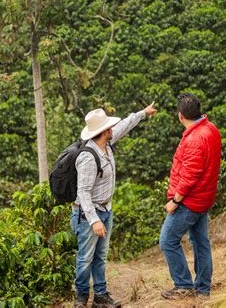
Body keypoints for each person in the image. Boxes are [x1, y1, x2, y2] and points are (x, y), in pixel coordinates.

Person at [71, 103, 157, 308]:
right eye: (109, 127)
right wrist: (94, 221)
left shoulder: (106, 145)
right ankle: (81, 298)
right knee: (85, 258)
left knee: (100, 256)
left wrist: (142, 113)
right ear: (104, 131)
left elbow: (125, 125)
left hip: (105, 209)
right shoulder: (88, 157)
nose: (113, 129)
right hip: (87, 215)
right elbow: (83, 193)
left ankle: (100, 296)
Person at [159, 93, 222, 300]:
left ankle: (183, 285)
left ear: (180, 116)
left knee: (167, 240)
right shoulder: (211, 129)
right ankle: (203, 289)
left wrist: (175, 201)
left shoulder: (194, 138)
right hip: (204, 197)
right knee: (200, 241)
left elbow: (190, 175)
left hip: (190, 201)